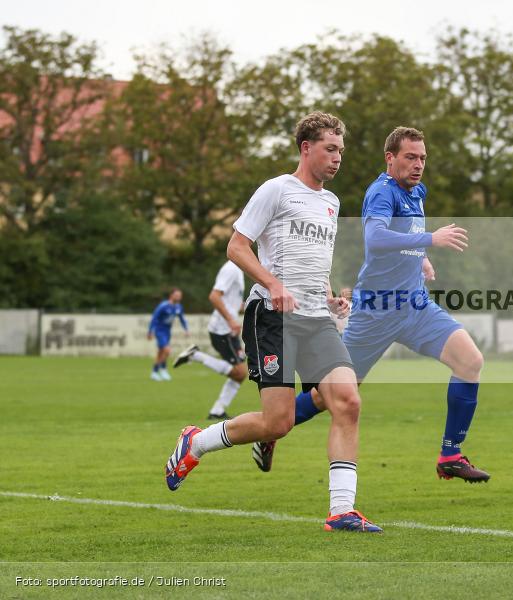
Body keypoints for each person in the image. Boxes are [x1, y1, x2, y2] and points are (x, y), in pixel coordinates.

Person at [164, 111, 382, 533]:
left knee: (347, 402)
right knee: (277, 422)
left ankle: (342, 511)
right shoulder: (276, 190)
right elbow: (237, 247)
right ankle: (197, 441)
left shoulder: (332, 203)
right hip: (272, 317)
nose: (338, 159)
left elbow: (316, 263)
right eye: (330, 149)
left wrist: (332, 295)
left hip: (317, 319)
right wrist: (272, 282)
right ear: (306, 148)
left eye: (341, 151)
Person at [252, 126, 490, 483]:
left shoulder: (417, 191)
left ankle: (450, 454)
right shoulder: (381, 192)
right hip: (377, 311)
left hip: (414, 304)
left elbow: (405, 234)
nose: (418, 164)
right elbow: (376, 238)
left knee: (470, 361)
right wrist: (431, 239)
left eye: (423, 158)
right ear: (390, 158)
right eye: (410, 157)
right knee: (328, 397)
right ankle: (271, 430)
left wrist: (420, 256)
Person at [172, 260, 248, 420]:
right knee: (240, 372)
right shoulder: (231, 268)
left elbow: (232, 301)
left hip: (228, 330)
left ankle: (217, 411)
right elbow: (214, 296)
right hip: (222, 330)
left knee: (240, 374)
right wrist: (231, 320)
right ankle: (196, 355)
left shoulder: (238, 269)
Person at [147, 288, 188, 381]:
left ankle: (154, 372)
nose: (179, 297)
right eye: (177, 295)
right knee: (167, 350)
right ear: (171, 295)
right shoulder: (163, 306)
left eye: (180, 296)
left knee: (161, 352)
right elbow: (154, 318)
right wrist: (150, 331)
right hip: (159, 331)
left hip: (167, 331)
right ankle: (163, 369)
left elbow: (182, 319)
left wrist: (186, 329)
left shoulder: (178, 307)